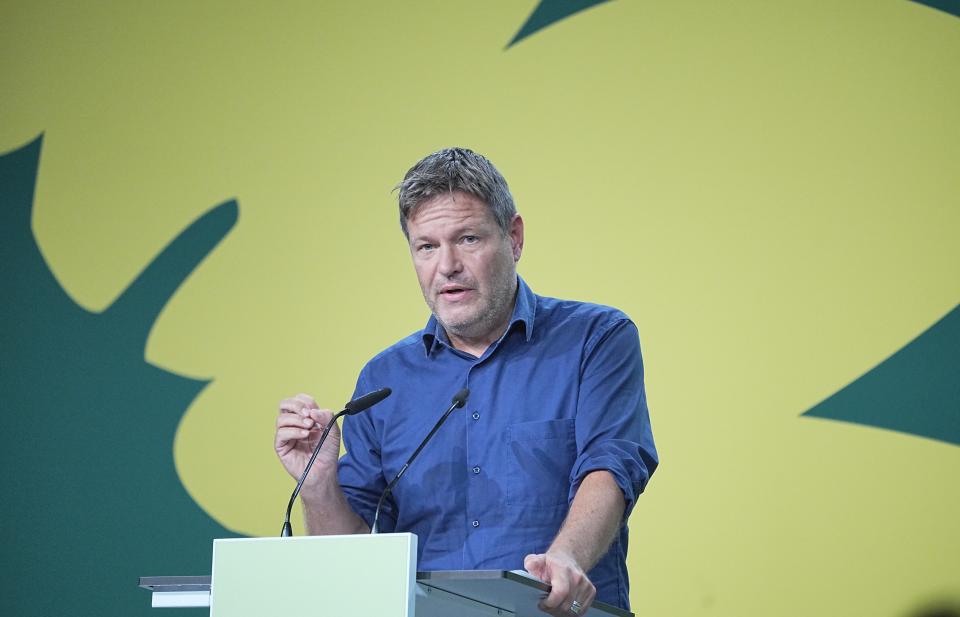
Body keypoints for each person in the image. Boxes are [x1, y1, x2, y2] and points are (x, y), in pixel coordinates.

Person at [275, 148, 657, 616]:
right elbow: (354, 552)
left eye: (468, 239)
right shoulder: (384, 379)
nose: (447, 265)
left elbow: (611, 466)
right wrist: (318, 486)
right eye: (427, 246)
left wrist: (566, 557)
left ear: (514, 238)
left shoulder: (595, 339)